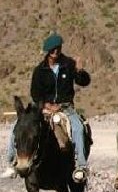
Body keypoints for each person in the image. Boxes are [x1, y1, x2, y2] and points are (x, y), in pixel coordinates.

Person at [2, 33, 91, 181]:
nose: (55, 51)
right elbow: (35, 93)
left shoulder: (68, 65)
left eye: (58, 48)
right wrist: (46, 105)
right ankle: (12, 163)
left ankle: (81, 166)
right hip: (43, 108)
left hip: (65, 108)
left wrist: (80, 71)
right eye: (52, 49)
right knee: (17, 128)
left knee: (78, 128)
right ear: (47, 51)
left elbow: (84, 82)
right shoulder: (39, 70)